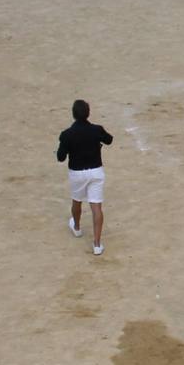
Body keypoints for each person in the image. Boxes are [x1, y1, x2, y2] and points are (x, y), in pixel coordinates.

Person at [57, 99, 112, 257]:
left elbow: (60, 157)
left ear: (73, 115)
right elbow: (109, 140)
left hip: (77, 173)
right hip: (96, 171)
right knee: (96, 207)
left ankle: (77, 228)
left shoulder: (66, 134)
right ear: (88, 113)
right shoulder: (96, 130)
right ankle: (97, 244)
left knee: (77, 200)